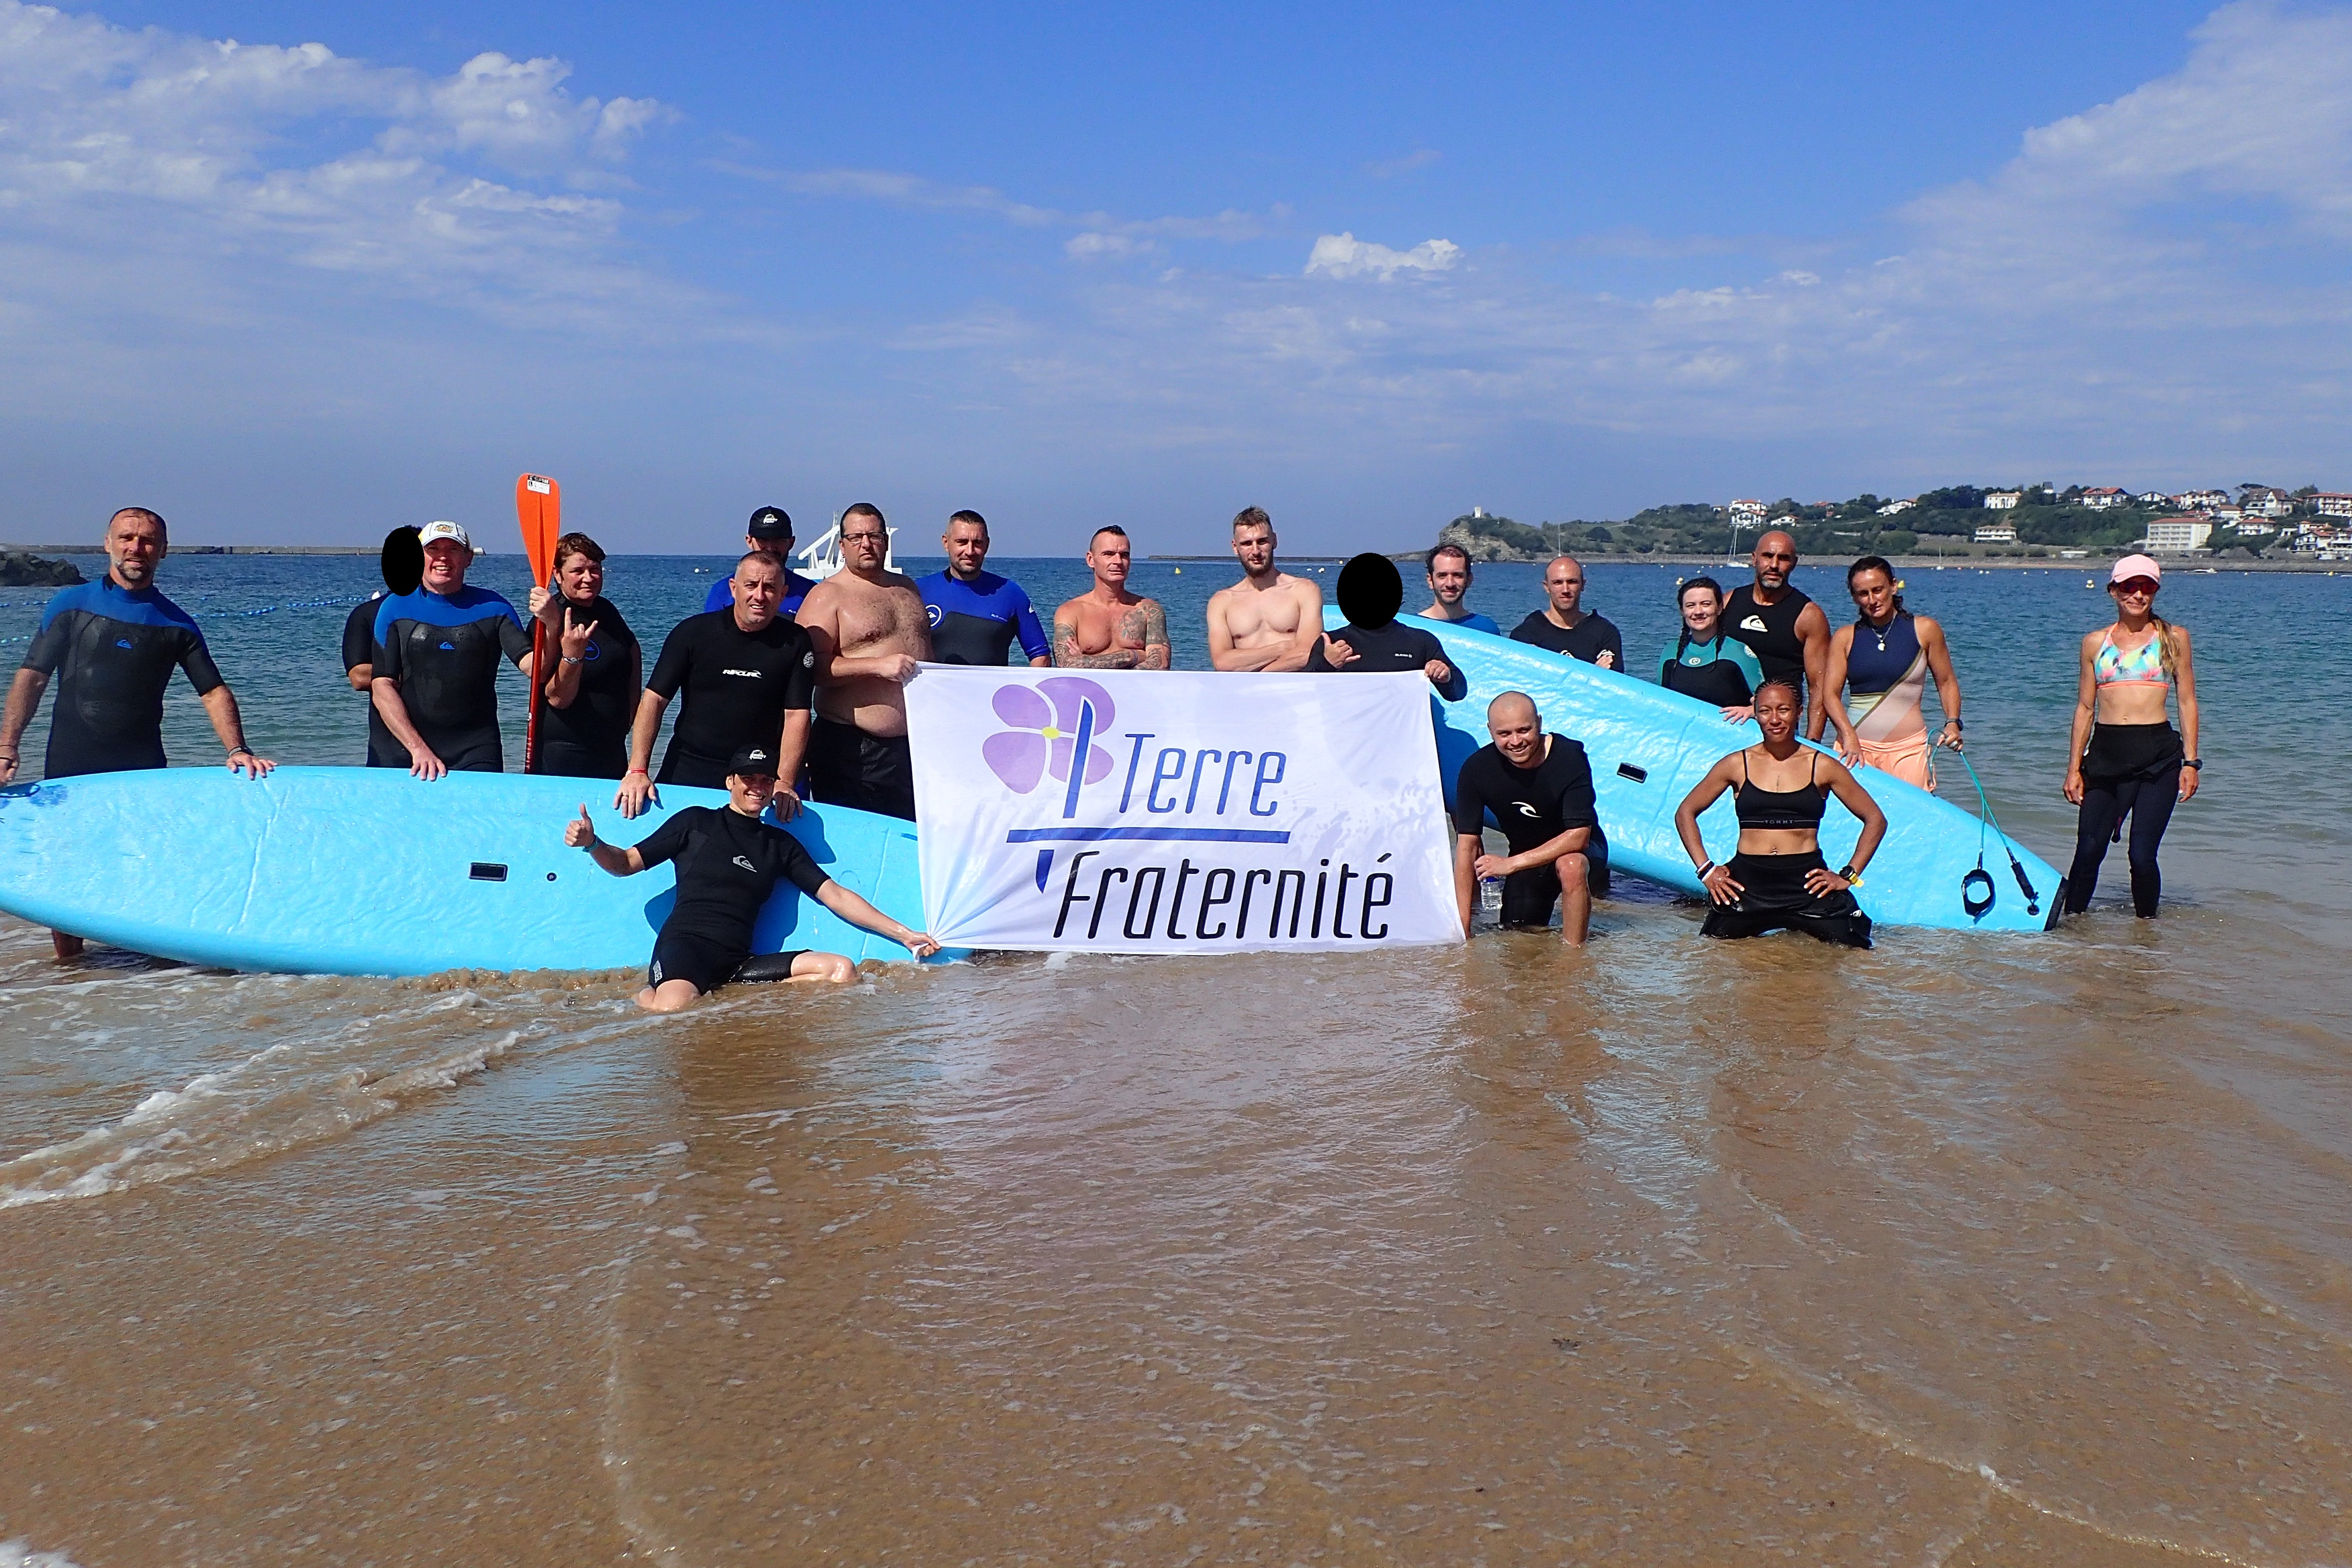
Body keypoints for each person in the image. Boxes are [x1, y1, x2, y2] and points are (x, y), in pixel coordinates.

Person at [1, 506, 275, 959]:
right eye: (127, 538)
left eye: (147, 541)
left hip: (142, 763)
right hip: (72, 760)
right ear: (107, 543)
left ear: (163, 551)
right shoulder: (71, 606)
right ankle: (72, 969)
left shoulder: (176, 623)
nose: (136, 548)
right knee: (66, 865)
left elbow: (213, 691)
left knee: (141, 861)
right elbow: (32, 675)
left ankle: (145, 963)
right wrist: (8, 745)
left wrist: (237, 749)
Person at [564, 742, 939, 1012]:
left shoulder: (780, 845)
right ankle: (637, 996)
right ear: (730, 781)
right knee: (673, 1010)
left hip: (739, 962)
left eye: (765, 779)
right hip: (686, 948)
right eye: (748, 778)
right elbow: (626, 863)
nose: (756, 787)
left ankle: (732, 1003)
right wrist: (592, 843)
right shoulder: (696, 823)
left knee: (841, 970)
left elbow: (835, 896)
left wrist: (906, 936)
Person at [1674, 680, 1886, 946]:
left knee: (1853, 952)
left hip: (1808, 886)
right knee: (1713, 954)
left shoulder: (1823, 767)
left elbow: (1875, 819)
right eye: (1765, 711)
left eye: (1783, 710)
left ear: (1799, 712)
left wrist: (1848, 876)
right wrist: (1706, 871)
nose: (1774, 719)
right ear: (1756, 714)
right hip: (1747, 886)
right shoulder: (1736, 764)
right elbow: (1686, 812)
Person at [621, 552, 815, 818]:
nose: (759, 596)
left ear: (783, 594)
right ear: (734, 589)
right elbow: (654, 700)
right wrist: (638, 770)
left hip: (757, 776)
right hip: (690, 764)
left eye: (770, 587)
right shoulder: (692, 633)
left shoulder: (795, 642)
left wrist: (784, 781)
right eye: (751, 585)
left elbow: (797, 716)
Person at [2062, 554, 2200, 919]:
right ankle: (2070, 931)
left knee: (2141, 855)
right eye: (2129, 587)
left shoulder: (2173, 638)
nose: (2138, 595)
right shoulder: (2095, 643)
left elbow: (2187, 701)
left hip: (2159, 759)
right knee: (2089, 850)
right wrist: (2074, 769)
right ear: (2113, 591)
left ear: (2155, 591)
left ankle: (2146, 935)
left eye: (2147, 587)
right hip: (2106, 756)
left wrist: (2191, 762)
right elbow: (2085, 709)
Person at [370, 520, 537, 778]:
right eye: (433, 550)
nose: (443, 558)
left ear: (468, 558)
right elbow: (382, 686)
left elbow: (533, 668)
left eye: (453, 550)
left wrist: (552, 623)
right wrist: (418, 749)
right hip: (408, 750)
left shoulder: (495, 608)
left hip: (477, 750)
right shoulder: (394, 608)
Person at [796, 502, 930, 821]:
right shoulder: (827, 596)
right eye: (856, 538)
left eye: (874, 536)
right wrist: (876, 666)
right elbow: (807, 668)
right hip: (852, 749)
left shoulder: (908, 589)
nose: (866, 544)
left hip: (911, 748)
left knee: (909, 841)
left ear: (886, 540)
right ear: (842, 546)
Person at [1452, 691, 1608, 944]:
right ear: (1490, 731)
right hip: (1526, 860)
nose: (1515, 741)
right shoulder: (1477, 769)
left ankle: (1573, 959)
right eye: (1504, 734)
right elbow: (1467, 846)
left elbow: (1579, 837)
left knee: (1570, 865)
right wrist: (1462, 928)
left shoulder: (1569, 757)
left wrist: (1509, 865)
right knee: (1516, 939)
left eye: (1524, 730)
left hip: (1584, 852)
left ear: (1540, 723)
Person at [1822, 556, 1963, 791]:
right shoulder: (1845, 637)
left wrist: (1952, 723)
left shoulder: (1925, 630)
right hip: (1855, 749)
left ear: (1893, 586)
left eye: (1878, 590)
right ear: (1855, 598)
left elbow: (1947, 682)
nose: (1872, 600)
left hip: (1909, 752)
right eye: (1863, 594)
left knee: (1911, 824)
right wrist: (1848, 737)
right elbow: (1830, 695)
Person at [525, 532, 641, 779]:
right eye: (578, 571)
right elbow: (557, 698)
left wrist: (631, 718)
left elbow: (631, 651)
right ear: (557, 574)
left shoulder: (606, 610)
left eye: (595, 569)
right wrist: (573, 655)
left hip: (611, 748)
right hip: (565, 751)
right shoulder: (549, 620)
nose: (589, 578)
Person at [1305, 553, 1467, 700]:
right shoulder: (1331, 643)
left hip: (1403, 731)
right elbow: (1303, 693)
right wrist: (1326, 665)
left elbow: (1457, 693)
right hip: (1344, 730)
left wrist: (1445, 676)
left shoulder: (1421, 642)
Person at [1723, 530, 1831, 738]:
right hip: (1729, 719)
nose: (1774, 565)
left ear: (1794, 563)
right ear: (1754, 559)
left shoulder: (1808, 616)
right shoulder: (1729, 602)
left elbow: (1819, 689)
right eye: (1767, 556)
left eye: (1783, 558)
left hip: (1779, 728)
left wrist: (1813, 744)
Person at [917, 510, 1050, 667]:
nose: (970, 551)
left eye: (978, 543)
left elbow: (1041, 656)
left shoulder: (1011, 594)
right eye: (962, 542)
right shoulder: (918, 591)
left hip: (991, 692)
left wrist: (1025, 691)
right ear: (946, 543)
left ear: (987, 545)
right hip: (933, 691)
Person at [1206, 506, 1324, 671]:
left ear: (1274, 541)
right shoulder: (1222, 603)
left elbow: (1308, 653)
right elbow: (1223, 663)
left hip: (1293, 691)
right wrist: (1282, 648)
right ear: (1235, 547)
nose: (1256, 551)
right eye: (1247, 544)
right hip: (1244, 694)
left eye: (1262, 541)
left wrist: (1260, 674)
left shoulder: (1303, 591)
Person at [342, 525, 422, 766]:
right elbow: (358, 676)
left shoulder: (453, 611)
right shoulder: (368, 614)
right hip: (389, 742)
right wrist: (422, 671)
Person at [1051, 525, 1171, 670]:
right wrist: (1133, 656)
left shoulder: (1149, 611)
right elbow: (1067, 664)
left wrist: (1087, 660)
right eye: (1109, 554)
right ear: (1091, 560)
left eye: (1124, 555)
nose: (1118, 561)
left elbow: (1160, 664)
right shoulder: (1071, 612)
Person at [1657, 575, 1765, 722]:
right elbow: (1657, 700)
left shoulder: (1738, 652)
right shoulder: (1671, 652)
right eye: (1690, 606)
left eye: (1706, 604)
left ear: (1719, 608)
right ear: (1682, 611)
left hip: (1729, 740)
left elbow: (1768, 703)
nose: (1698, 611)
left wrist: (1751, 710)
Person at [1509, 555, 1623, 670]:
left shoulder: (1605, 633)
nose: (1565, 590)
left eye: (1572, 582)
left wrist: (1545, 664)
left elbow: (1612, 683)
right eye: (1558, 583)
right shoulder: (1525, 634)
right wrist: (1593, 673)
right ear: (1547, 587)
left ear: (1583, 585)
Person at [703, 506, 817, 618]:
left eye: (778, 540)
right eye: (763, 540)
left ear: (791, 543)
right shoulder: (723, 591)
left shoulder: (810, 593)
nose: (770, 548)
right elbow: (710, 634)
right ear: (749, 541)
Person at [1413, 543, 1500, 635]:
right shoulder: (1412, 628)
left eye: (1457, 575)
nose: (1450, 584)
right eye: (1442, 576)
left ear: (1469, 580)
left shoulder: (1487, 629)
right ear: (1430, 581)